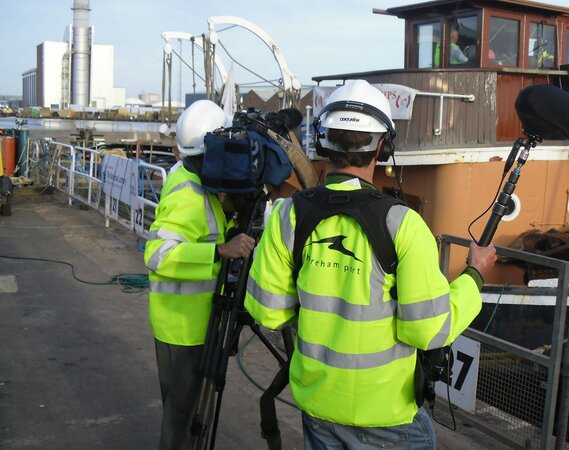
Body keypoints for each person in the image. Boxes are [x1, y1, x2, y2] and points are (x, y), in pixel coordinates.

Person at [244, 79, 497, 449]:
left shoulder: (287, 215)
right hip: (387, 420)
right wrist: (473, 277)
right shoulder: (404, 224)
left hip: (318, 408)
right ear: (383, 145)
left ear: (323, 140)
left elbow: (266, 312)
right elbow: (428, 330)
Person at [144, 99, 256, 449]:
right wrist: (220, 251)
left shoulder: (193, 177)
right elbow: (157, 254)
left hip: (189, 323)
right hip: (184, 329)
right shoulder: (188, 194)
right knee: (181, 421)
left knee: (187, 415)